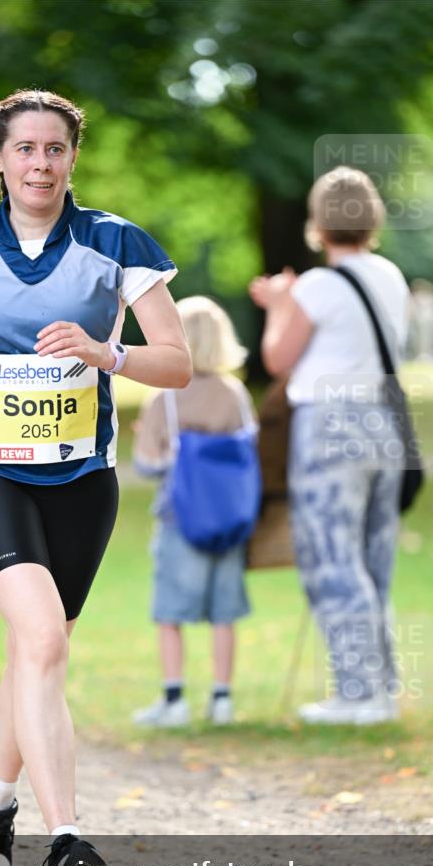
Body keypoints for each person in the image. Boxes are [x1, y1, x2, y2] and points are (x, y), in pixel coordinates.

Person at [0, 89, 192, 866]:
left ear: (72, 158)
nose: (39, 163)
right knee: (45, 639)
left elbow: (177, 361)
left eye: (54, 149)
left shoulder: (114, 243)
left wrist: (107, 353)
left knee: (35, 649)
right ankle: (66, 839)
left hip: (83, 482)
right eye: (23, 148)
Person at [249, 166, 409, 725]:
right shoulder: (390, 275)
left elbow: (278, 360)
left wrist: (278, 305)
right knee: (372, 560)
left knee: (333, 561)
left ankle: (358, 695)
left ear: (318, 223)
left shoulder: (318, 286)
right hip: (383, 425)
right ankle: (380, 688)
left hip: (329, 427)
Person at [131, 296, 256, 727]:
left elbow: (146, 464)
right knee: (224, 613)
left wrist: (163, 449)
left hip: (179, 518)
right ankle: (222, 699)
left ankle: (174, 699)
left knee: (170, 612)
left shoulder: (164, 398)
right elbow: (249, 452)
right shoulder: (235, 394)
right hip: (228, 519)